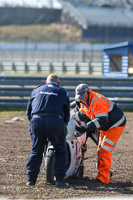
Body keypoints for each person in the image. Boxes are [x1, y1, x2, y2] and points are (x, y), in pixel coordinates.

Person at [74, 83, 126, 184]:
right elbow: (83, 114)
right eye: (79, 98)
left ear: (88, 92)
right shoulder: (84, 101)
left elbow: (102, 120)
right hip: (106, 126)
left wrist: (84, 128)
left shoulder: (97, 100)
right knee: (100, 150)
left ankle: (103, 179)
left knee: (104, 150)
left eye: (82, 97)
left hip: (115, 125)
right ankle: (105, 172)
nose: (81, 99)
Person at [26, 74, 70, 188]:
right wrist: (63, 126)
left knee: (36, 150)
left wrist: (33, 123)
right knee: (60, 150)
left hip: (37, 120)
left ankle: (31, 180)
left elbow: (28, 111)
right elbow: (67, 113)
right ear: (58, 83)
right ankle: (60, 180)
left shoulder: (36, 90)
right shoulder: (63, 92)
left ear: (46, 82)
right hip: (55, 121)